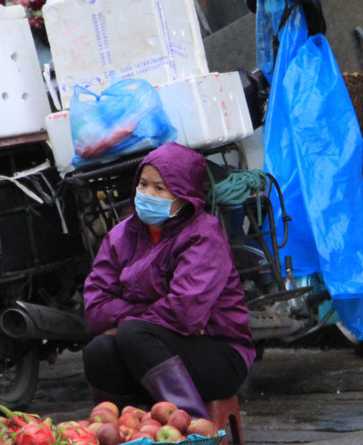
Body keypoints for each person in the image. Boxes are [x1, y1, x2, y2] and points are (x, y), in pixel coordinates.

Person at [81, 142, 254, 418]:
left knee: (132, 335)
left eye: (160, 189)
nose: (147, 194)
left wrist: (125, 325)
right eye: (143, 185)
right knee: (99, 350)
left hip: (219, 353)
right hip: (148, 346)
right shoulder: (119, 236)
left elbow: (185, 312)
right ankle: (120, 427)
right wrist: (136, 321)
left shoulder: (202, 234)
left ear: (185, 197)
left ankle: (189, 426)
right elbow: (95, 308)